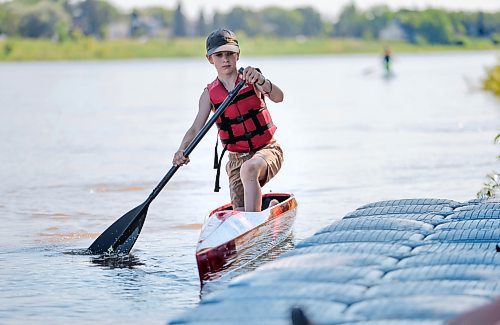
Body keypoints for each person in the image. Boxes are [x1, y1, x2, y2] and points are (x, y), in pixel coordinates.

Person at [172, 28, 284, 212]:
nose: (225, 59)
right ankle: (270, 207)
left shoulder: (252, 78)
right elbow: (195, 129)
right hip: (235, 161)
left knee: (249, 169)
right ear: (210, 59)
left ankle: (253, 224)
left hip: (267, 150)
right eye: (219, 55)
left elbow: (279, 97)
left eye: (230, 54)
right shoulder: (209, 95)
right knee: (239, 209)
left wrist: (263, 81)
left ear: (237, 55)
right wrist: (181, 150)